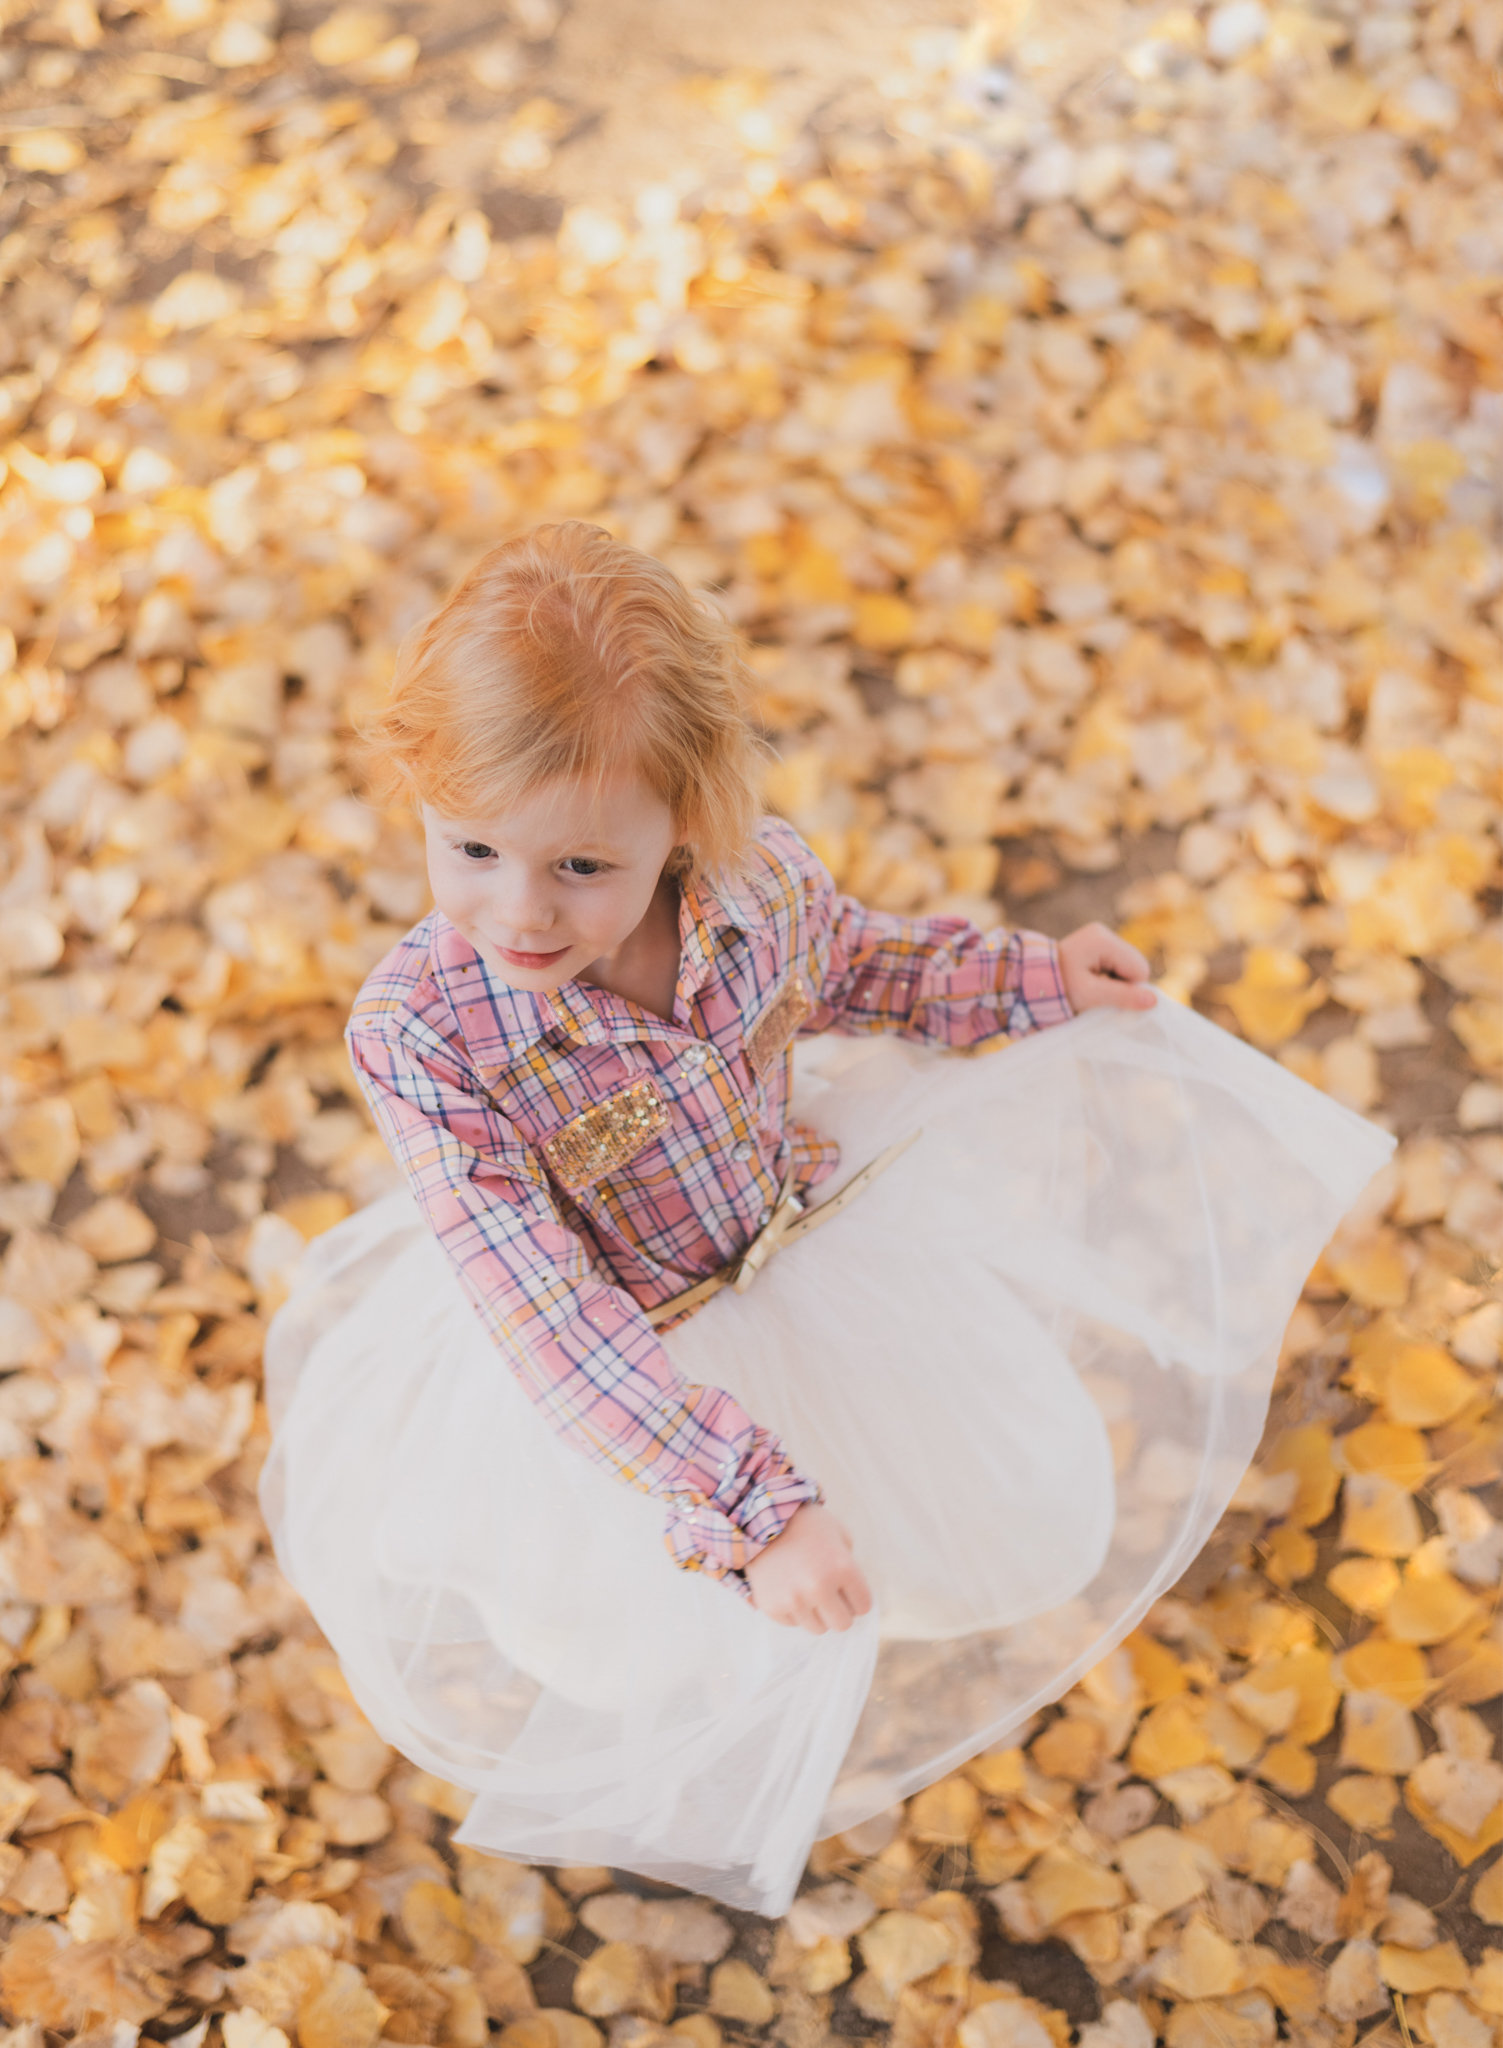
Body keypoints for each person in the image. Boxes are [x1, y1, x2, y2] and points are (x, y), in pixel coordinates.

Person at [260, 522, 1393, 1914]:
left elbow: (866, 966)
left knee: (929, 1480)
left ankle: (841, 1588)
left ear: (684, 821)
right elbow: (549, 1318)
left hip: (799, 1235)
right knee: (644, 1630)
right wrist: (748, 1505)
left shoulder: (756, 888)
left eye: (580, 869)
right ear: (422, 802)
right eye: (471, 848)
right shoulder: (425, 1037)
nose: (517, 910)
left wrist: (1034, 979)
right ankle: (714, 1696)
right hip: (633, 1367)